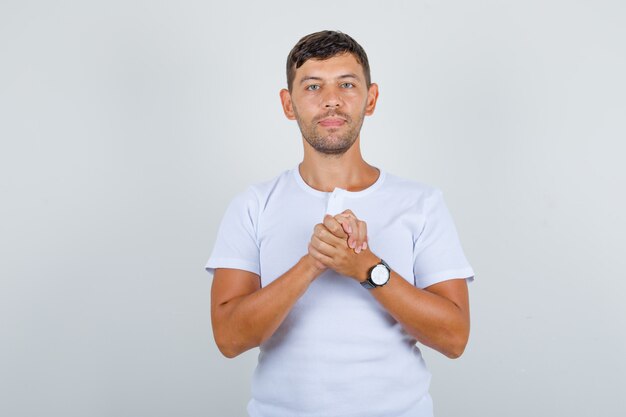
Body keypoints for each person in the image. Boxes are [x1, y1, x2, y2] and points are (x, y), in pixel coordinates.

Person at [206, 30, 474, 417]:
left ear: (371, 98)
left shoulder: (422, 203)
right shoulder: (253, 205)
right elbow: (229, 338)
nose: (331, 99)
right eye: (313, 86)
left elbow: (454, 337)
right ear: (288, 103)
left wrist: (367, 268)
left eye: (346, 84)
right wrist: (313, 263)